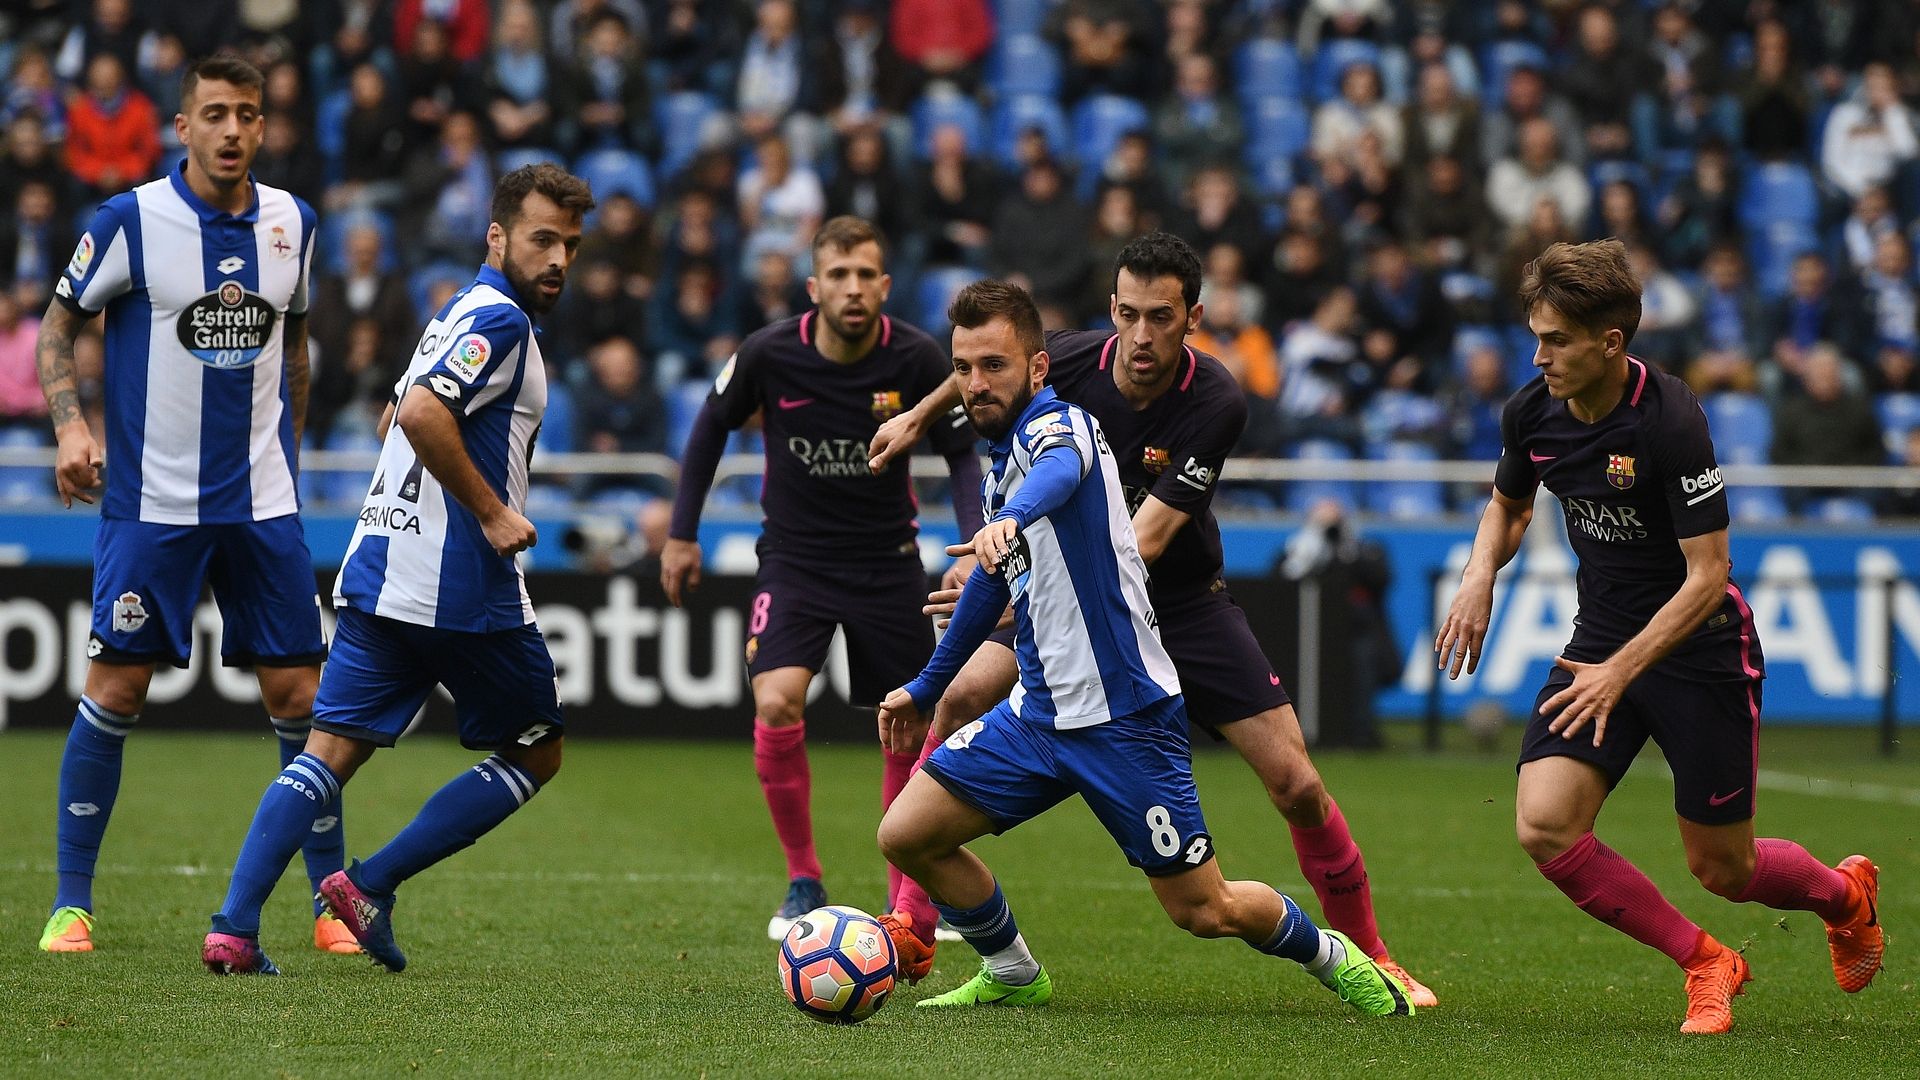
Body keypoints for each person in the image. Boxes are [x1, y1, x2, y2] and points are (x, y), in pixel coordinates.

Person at [868, 233, 1438, 1006]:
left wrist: (1018, 540)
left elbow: (1126, 534)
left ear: (1190, 319)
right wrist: (921, 424)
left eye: (1160, 317)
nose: (1141, 335)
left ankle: (1354, 952)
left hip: (1162, 628)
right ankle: (981, 954)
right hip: (1052, 678)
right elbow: (981, 375)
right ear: (1109, 315)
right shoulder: (1048, 376)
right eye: (1128, 315)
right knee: (924, 785)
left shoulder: (1184, 406)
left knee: (1260, 834)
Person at [1435, 239, 1884, 1035]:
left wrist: (1621, 672)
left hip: (1699, 649)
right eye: (1534, 337)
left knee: (1724, 867)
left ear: (1612, 343)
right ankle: (1707, 962)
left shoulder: (1671, 419)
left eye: (1557, 341)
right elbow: (1507, 504)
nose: (1538, 356)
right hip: (1600, 640)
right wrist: (1480, 576)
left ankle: (1846, 898)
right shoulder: (1531, 410)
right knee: (1543, 823)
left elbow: (1708, 573)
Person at [201, 163, 595, 975]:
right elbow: (418, 412)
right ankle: (370, 883)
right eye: (542, 239)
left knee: (327, 753)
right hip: (459, 586)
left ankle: (234, 928)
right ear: (498, 237)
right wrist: (491, 511)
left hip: (380, 567)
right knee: (536, 752)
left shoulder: (456, 311)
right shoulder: (505, 323)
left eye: (571, 244)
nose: (559, 258)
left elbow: (399, 405)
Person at [31, 56, 354, 957]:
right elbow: (58, 323)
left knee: (303, 697)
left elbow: (293, 342)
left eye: (247, 114)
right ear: (183, 127)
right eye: (214, 113)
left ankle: (330, 905)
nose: (232, 131)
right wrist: (69, 426)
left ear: (263, 126)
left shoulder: (296, 222)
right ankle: (71, 905)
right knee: (118, 689)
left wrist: (286, 455)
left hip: (261, 505)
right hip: (151, 504)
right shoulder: (130, 219)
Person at [660, 215, 986, 948]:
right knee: (777, 701)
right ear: (814, 287)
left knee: (907, 719)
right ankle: (803, 875)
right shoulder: (770, 354)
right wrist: (682, 533)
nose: (852, 288)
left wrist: (967, 548)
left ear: (885, 286)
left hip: (887, 563)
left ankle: (909, 897)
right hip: (797, 562)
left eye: (866, 274)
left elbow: (961, 452)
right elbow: (710, 428)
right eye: (838, 275)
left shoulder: (914, 356)